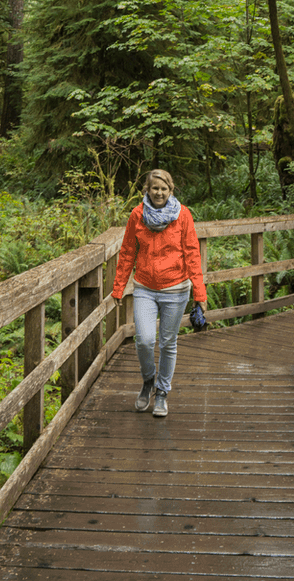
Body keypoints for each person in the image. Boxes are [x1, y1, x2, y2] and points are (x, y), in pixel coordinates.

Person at [110, 168, 205, 418]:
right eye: (155, 188)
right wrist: (119, 287)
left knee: (167, 343)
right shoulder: (137, 215)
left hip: (176, 288)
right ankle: (148, 381)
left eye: (164, 189)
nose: (159, 192)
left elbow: (193, 254)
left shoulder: (183, 215)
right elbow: (128, 252)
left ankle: (162, 392)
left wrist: (200, 294)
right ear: (147, 190)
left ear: (170, 190)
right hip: (144, 288)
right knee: (144, 340)